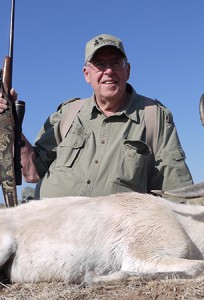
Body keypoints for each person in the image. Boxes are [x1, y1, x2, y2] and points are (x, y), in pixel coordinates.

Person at [0, 33, 193, 199]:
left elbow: (177, 191)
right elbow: (32, 173)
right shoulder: (68, 113)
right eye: (99, 64)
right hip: (48, 231)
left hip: (113, 239)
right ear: (86, 74)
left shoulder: (154, 117)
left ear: (128, 70)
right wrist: (11, 125)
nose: (108, 71)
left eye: (116, 63)